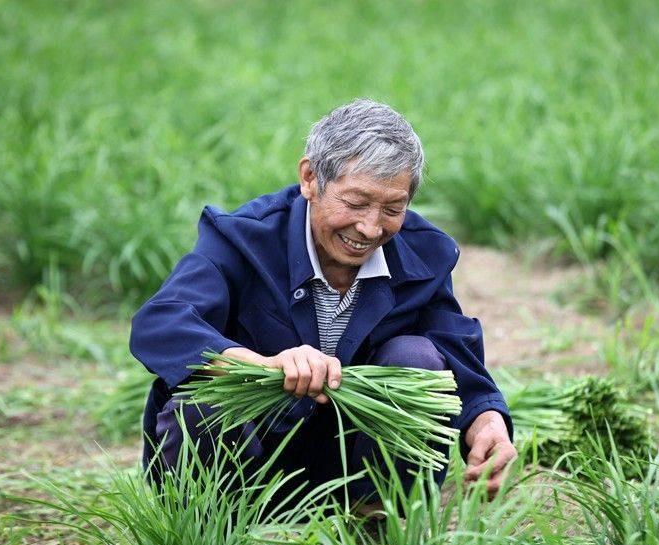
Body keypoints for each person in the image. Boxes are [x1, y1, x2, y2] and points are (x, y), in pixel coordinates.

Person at [130, 99, 516, 506]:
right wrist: (261, 365)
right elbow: (162, 322)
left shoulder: (424, 255)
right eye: (355, 203)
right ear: (311, 178)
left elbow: (454, 351)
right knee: (205, 397)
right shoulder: (244, 239)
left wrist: (486, 420)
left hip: (351, 467)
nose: (369, 228)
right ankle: (212, 540)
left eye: (392, 208)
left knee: (418, 357)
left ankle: (377, 524)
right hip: (249, 458)